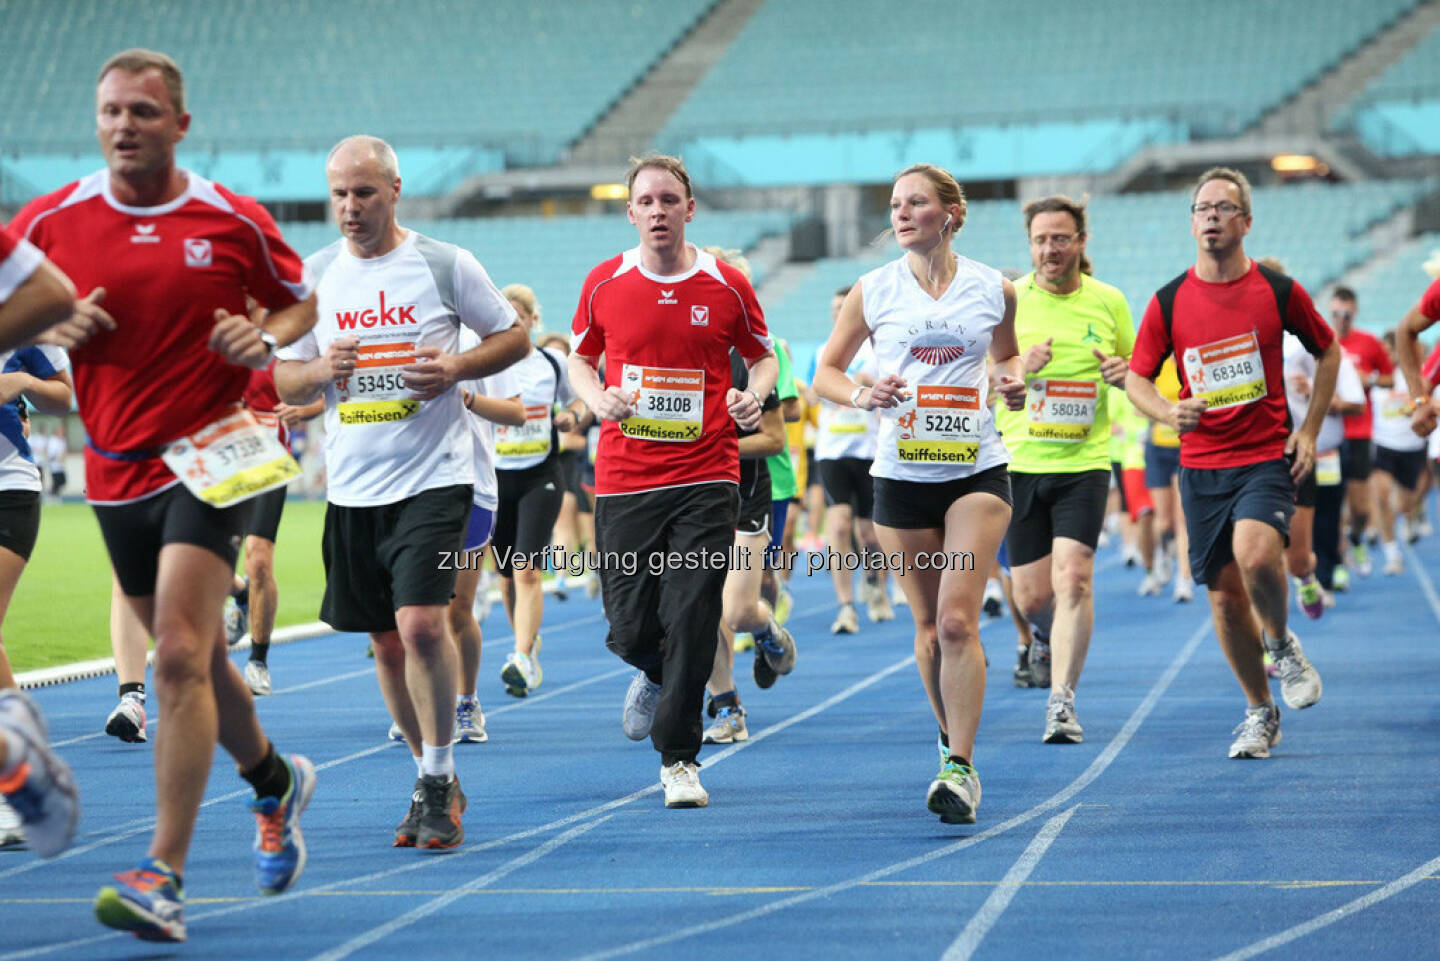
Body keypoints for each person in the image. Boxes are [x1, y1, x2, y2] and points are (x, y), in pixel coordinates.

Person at [11, 49, 320, 940]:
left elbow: (298, 301)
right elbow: (22, 296)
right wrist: (49, 317)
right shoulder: (55, 219)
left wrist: (261, 336)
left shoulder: (228, 217)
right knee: (201, 663)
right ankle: (275, 782)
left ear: (179, 124)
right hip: (113, 463)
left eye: (143, 112)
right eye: (110, 111)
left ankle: (164, 873)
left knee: (180, 655)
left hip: (210, 455)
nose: (122, 126)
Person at [275, 135, 527, 850]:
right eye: (339, 195)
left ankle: (441, 778)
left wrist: (456, 368)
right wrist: (322, 365)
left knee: (421, 624)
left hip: (436, 478)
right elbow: (283, 377)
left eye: (363, 193)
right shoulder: (313, 278)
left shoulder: (445, 264)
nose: (350, 208)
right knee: (384, 643)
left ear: (394, 190)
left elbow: (513, 337)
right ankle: (428, 775)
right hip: (353, 486)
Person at [815, 162, 1025, 824]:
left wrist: (1012, 379)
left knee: (961, 618)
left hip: (975, 469)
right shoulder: (874, 290)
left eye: (916, 203)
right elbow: (825, 370)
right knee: (930, 628)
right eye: (895, 204)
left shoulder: (995, 287)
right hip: (901, 476)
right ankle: (948, 739)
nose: (901, 213)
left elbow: (1007, 355)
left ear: (950, 213)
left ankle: (961, 769)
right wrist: (860, 392)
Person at [568, 154, 777, 809]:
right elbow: (580, 357)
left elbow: (763, 356)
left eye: (669, 199)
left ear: (690, 209)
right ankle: (657, 672)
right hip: (626, 477)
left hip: (707, 474)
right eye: (645, 201)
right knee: (628, 626)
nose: (657, 211)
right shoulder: (604, 282)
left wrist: (754, 396)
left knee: (692, 612)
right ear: (630, 213)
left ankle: (680, 758)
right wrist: (597, 396)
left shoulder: (727, 283)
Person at [1126, 167, 1334, 760]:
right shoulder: (1168, 300)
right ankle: (1259, 711)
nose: (1211, 215)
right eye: (1202, 207)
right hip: (1201, 465)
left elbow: (1328, 349)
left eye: (1224, 206)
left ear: (1246, 220)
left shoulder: (1277, 291)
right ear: (1192, 222)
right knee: (1222, 598)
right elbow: (1137, 377)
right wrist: (1167, 413)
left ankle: (1282, 644)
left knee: (1258, 554)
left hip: (1266, 455)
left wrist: (1311, 429)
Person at [994, 195, 1134, 743]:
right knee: (1031, 599)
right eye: (1040, 240)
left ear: (1080, 241)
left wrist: (1125, 374)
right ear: (1029, 245)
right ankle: (1051, 639)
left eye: (1060, 238)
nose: (1050, 249)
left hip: (1084, 462)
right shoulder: (1009, 301)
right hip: (1020, 463)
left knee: (1074, 578)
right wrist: (1018, 371)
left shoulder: (1109, 301)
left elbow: (1138, 367)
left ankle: (1061, 701)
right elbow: (986, 375)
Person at [0, 222, 82, 859]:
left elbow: (65, 398)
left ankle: (14, 785)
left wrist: (23, 384)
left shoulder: (17, 313)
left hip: (7, 484)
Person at [492, 283, 585, 698]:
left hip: (540, 475)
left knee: (526, 569)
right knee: (507, 579)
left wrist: (572, 418)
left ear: (533, 321)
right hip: (494, 478)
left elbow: (581, 401)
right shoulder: (487, 365)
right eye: (504, 319)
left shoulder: (552, 362)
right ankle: (523, 645)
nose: (513, 326)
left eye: (519, 318)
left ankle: (522, 655)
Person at [811, 287, 893, 632]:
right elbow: (815, 391)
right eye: (832, 308)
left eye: (842, 307)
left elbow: (893, 387)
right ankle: (846, 607)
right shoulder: (822, 352)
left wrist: (866, 383)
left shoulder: (876, 350)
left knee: (870, 534)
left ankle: (876, 584)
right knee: (840, 526)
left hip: (868, 451)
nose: (836, 313)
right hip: (832, 451)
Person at [1330, 286, 1392, 579]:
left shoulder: (1369, 342)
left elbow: (1391, 378)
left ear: (1354, 312)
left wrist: (1371, 379)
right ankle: (1338, 563)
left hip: (1359, 433)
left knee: (1360, 509)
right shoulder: (1322, 343)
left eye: (1346, 314)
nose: (1341, 319)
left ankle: (1356, 539)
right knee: (1331, 505)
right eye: (1336, 314)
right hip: (1329, 436)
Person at [1368, 332, 1428, 574]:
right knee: (1382, 498)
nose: (1385, 356)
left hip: (1410, 446)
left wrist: (1411, 406)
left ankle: (1412, 514)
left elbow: (1425, 398)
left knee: (1403, 503)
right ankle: (1392, 553)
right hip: (1382, 444)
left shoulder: (1413, 374)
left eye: (1388, 351)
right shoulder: (1375, 377)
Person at [44, 424, 68, 499]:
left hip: (61, 465)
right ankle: (52, 494)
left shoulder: (63, 440)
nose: (63, 432)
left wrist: (63, 456)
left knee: (63, 481)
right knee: (56, 481)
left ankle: (53, 493)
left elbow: (64, 451)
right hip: (54, 465)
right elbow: (50, 454)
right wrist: (57, 458)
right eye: (61, 431)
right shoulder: (53, 440)